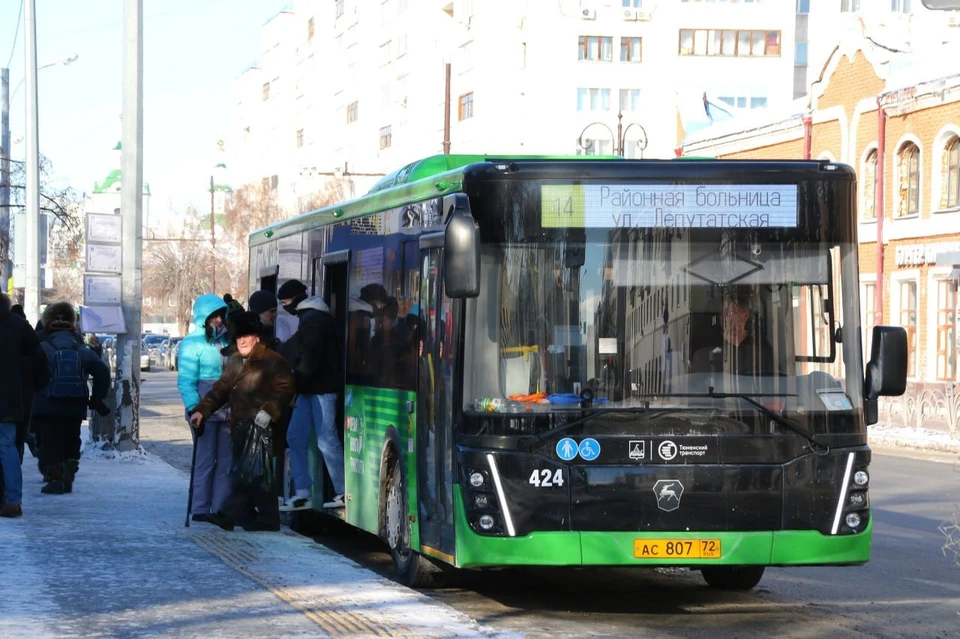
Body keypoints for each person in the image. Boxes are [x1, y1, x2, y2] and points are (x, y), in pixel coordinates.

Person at [190, 312, 295, 531]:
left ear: (257, 337)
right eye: (239, 337)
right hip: (241, 428)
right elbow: (220, 390)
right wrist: (202, 411)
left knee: (248, 474)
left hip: (262, 428)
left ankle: (227, 515)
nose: (243, 341)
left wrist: (268, 411)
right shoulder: (236, 360)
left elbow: (285, 389)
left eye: (247, 336)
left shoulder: (272, 360)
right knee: (259, 474)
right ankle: (268, 520)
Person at [277, 279, 345, 510]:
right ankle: (303, 492)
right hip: (309, 391)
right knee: (295, 436)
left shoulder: (314, 320)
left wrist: (295, 381)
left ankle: (343, 491)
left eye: (285, 302)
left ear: (296, 299)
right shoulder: (309, 318)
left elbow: (309, 358)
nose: (285, 306)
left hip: (322, 390)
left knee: (326, 439)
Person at [31, 302, 111, 495]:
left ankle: (55, 478)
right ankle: (68, 477)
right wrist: (96, 398)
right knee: (71, 440)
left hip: (46, 405)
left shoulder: (40, 347)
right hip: (75, 405)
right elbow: (102, 372)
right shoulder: (81, 349)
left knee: (50, 442)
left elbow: (27, 373)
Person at [177, 294, 233, 527]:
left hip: (228, 408)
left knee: (227, 462)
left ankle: (220, 508)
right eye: (213, 316)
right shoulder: (191, 343)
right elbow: (186, 381)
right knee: (205, 459)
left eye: (221, 315)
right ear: (203, 318)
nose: (218, 320)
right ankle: (200, 508)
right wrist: (193, 409)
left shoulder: (229, 340)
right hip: (204, 409)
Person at [0, 298, 50, 517]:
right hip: (9, 399)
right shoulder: (18, 324)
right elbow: (38, 359)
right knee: (7, 447)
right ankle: (13, 501)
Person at [691, 288, 777, 378]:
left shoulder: (761, 352)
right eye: (725, 313)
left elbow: (772, 382)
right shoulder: (706, 353)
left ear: (745, 316)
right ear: (720, 317)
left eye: (732, 312)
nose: (727, 318)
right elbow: (698, 386)